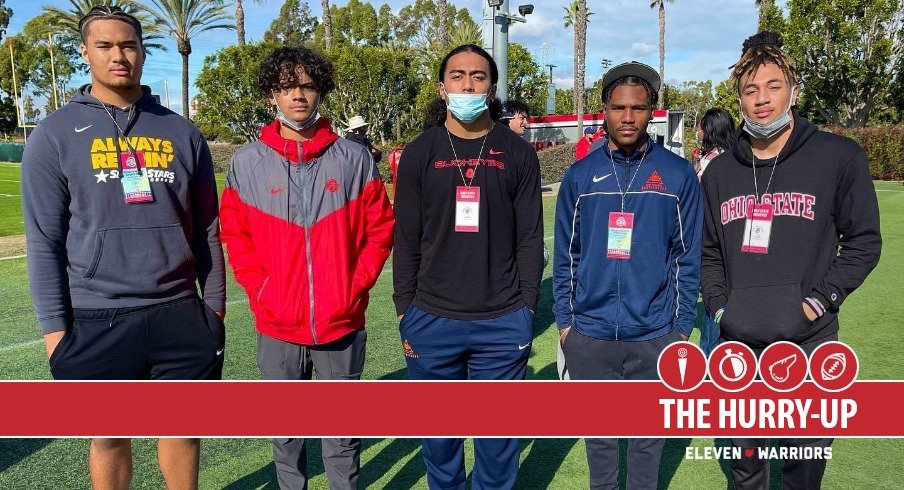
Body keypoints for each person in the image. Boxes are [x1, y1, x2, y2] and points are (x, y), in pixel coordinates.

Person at [21, 5, 225, 489]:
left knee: (182, 432)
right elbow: (44, 241)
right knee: (110, 437)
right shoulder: (53, 134)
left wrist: (213, 311)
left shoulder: (181, 131)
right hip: (96, 316)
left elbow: (208, 231)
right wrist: (55, 334)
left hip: (177, 310)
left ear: (141, 51)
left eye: (129, 45)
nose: (120, 56)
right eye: (106, 46)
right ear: (85, 52)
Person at [701, 31, 882, 489]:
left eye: (773, 86)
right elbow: (707, 252)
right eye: (751, 90)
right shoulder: (721, 172)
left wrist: (815, 302)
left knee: (804, 464)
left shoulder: (837, 156)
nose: (762, 100)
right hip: (738, 345)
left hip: (810, 340)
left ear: (793, 90)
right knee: (746, 467)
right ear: (739, 98)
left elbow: (863, 242)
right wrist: (722, 308)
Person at [219, 46, 394, 490]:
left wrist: (352, 288)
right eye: (286, 86)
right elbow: (236, 238)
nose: (298, 95)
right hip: (277, 323)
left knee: (341, 437)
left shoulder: (353, 159)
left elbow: (380, 231)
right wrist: (264, 292)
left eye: (307, 85)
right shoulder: (246, 163)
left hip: (342, 322)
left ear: (320, 92)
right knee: (287, 434)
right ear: (271, 95)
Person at [393, 44, 543, 490]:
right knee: (440, 443)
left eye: (478, 76)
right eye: (457, 76)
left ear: (492, 87)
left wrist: (527, 309)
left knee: (497, 446)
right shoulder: (421, 152)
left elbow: (531, 238)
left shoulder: (516, 152)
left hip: (502, 320)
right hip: (431, 319)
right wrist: (405, 311)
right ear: (442, 88)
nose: (467, 85)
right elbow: (406, 238)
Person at [552, 61, 702, 489]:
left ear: (652, 109)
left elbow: (688, 257)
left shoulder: (677, 175)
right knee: (599, 443)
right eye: (619, 107)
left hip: (654, 334)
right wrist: (566, 325)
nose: (628, 117)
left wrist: (680, 331)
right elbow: (566, 254)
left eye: (637, 108)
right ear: (605, 109)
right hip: (591, 334)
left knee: (646, 443)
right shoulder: (580, 176)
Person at [693, 108, 735, 356]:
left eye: (701, 127)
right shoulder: (730, 157)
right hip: (717, 239)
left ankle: (711, 357)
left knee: (713, 295)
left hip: (709, 238)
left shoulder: (714, 161)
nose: (697, 132)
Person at [695, 108, 735, 179]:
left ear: (708, 130)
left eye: (698, 127)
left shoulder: (710, 160)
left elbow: (699, 185)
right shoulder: (733, 153)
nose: (697, 130)